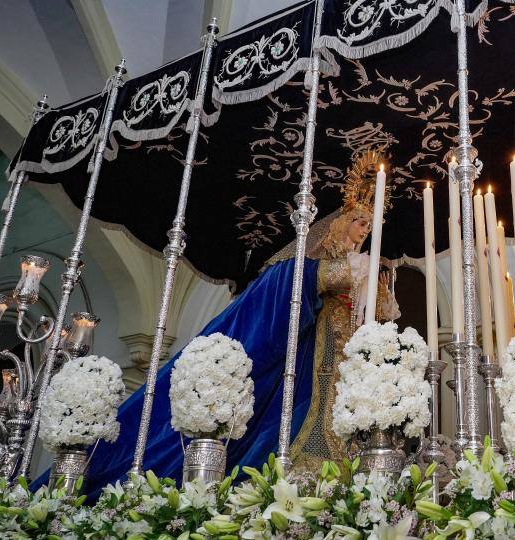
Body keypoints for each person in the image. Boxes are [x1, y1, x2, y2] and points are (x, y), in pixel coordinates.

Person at [79, 151, 399, 498]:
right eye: (360, 221)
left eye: (371, 224)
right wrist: (339, 273)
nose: (366, 230)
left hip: (343, 370)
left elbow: (377, 315)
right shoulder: (312, 260)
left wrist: (375, 286)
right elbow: (290, 285)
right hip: (308, 365)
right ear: (341, 221)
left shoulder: (365, 266)